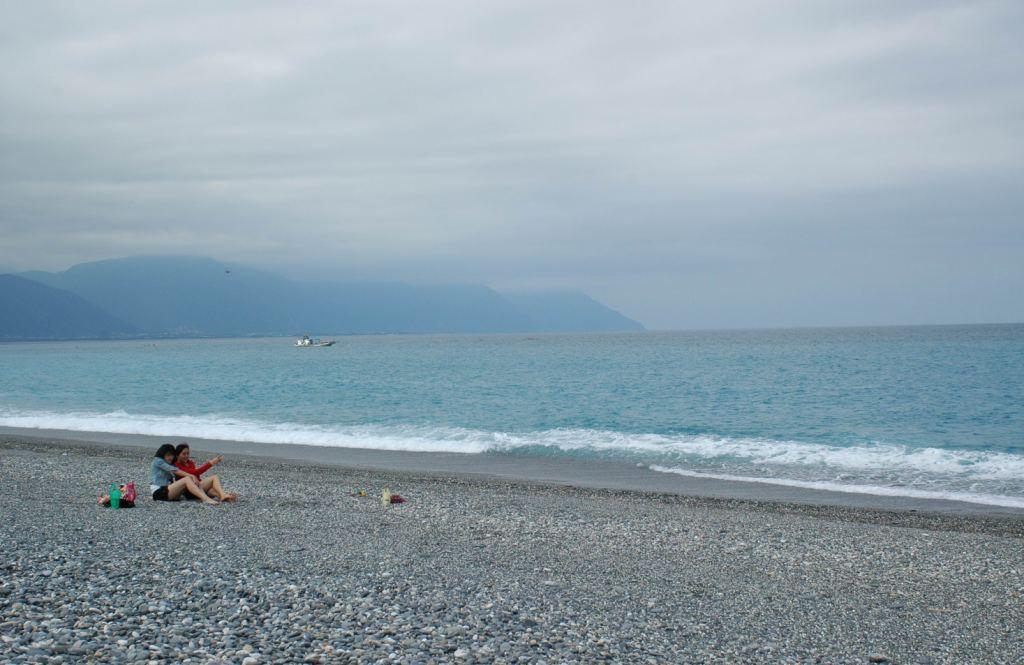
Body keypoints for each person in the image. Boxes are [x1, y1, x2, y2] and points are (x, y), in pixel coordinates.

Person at [150, 443, 218, 504]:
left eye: (172, 455)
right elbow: (175, 470)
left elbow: (178, 472)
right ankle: (205, 498)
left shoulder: (171, 463)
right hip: (159, 493)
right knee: (187, 479)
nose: (170, 457)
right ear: (162, 454)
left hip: (169, 491)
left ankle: (207, 496)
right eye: (168, 455)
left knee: (190, 479)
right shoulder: (158, 460)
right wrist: (191, 475)